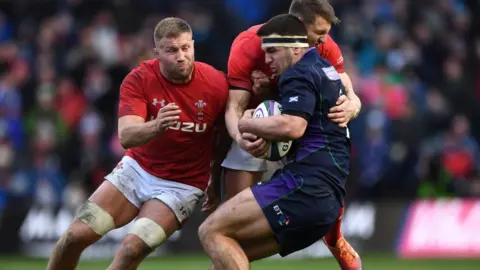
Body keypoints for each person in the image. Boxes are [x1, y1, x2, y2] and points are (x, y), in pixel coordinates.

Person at [46, 17, 229, 270]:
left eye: (186, 48)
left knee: (132, 249)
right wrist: (157, 125)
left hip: (182, 185)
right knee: (73, 237)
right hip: (137, 169)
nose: (181, 56)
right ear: (157, 52)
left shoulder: (217, 84)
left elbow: (225, 137)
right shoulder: (139, 79)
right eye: (171, 50)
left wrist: (215, 177)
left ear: (193, 46)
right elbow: (126, 136)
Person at [199, 14, 362, 270]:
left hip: (304, 187)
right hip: (326, 203)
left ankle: (337, 242)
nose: (267, 60)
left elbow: (293, 126)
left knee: (210, 230)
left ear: (296, 47)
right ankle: (338, 243)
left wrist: (247, 123)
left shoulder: (298, 73)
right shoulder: (323, 67)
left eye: (273, 52)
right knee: (228, 253)